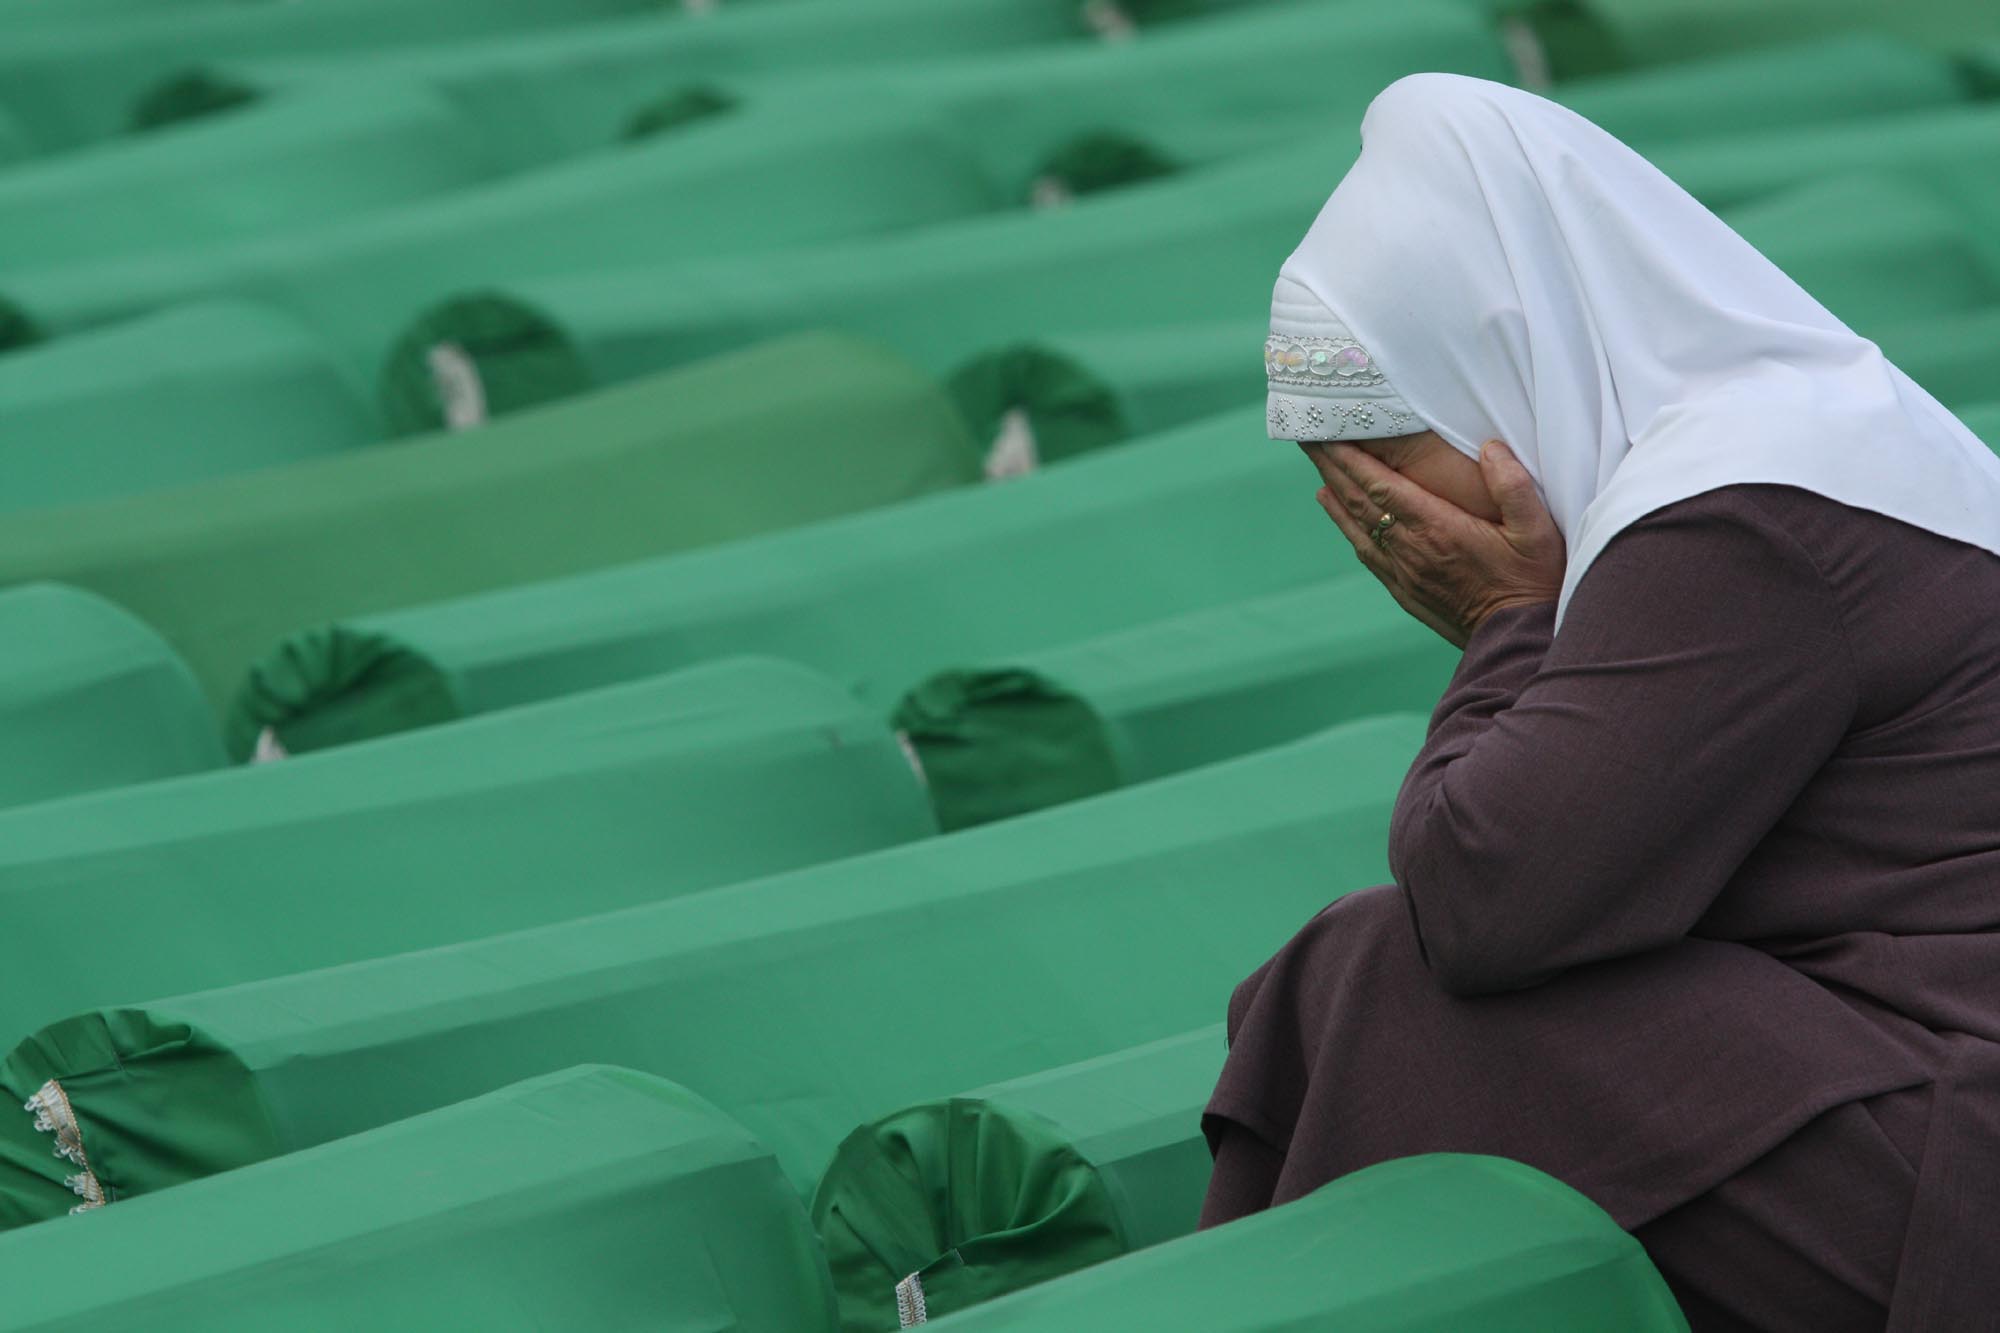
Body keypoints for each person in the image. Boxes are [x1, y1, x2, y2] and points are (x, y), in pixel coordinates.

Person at [1204, 73, 2000, 1332]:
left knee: (1379, 976)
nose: (1373, 529)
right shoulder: (1773, 449)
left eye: (1386, 471)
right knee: (1353, 965)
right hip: (1904, 1098)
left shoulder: (1743, 517)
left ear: (1498, 377)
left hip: (1952, 1166)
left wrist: (1500, 629)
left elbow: (1487, 898)